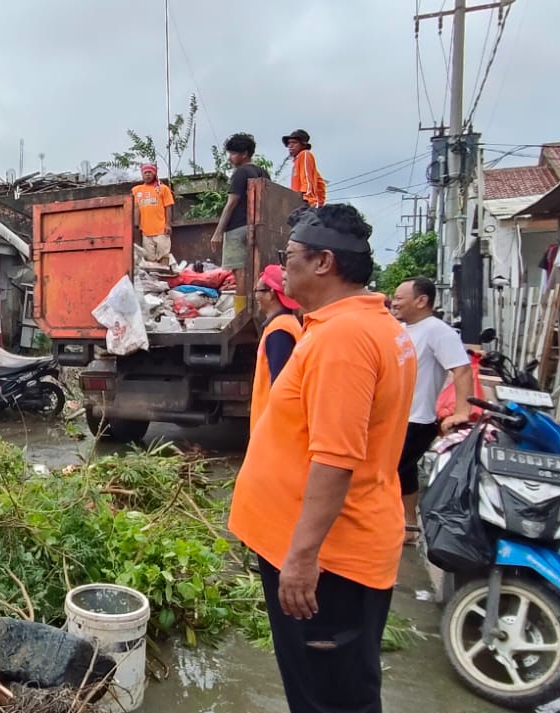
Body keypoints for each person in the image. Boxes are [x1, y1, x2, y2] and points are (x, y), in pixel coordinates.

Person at [226, 204, 415, 713]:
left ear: (324, 262)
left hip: (330, 564)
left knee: (329, 701)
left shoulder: (344, 338)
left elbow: (335, 458)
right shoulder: (365, 325)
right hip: (332, 551)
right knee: (329, 691)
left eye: (289, 255)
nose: (282, 267)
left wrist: (302, 558)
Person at [391, 276, 474, 540]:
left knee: (388, 473)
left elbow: (461, 370)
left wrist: (462, 412)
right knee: (405, 472)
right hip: (398, 416)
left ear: (421, 300)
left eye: (399, 298)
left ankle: (390, 526)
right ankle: (408, 526)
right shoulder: (404, 329)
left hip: (417, 419)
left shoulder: (438, 331)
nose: (394, 303)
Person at [248, 264, 302, 433]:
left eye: (258, 290)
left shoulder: (279, 331)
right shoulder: (283, 324)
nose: (256, 296)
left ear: (271, 293)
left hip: (273, 427)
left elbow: (280, 385)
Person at [210, 133, 271, 268]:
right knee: (256, 269)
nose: (229, 158)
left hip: (237, 229)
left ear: (244, 154)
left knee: (236, 270)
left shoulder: (240, 172)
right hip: (257, 228)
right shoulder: (263, 173)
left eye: (233, 154)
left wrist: (218, 233)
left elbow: (231, 203)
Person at [130, 163, 175, 263]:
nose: (147, 174)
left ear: (154, 173)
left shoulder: (163, 189)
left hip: (161, 231)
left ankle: (165, 272)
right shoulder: (136, 190)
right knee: (149, 260)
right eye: (145, 172)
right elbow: (135, 208)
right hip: (145, 233)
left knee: (164, 258)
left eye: (150, 172)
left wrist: (168, 225)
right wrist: (136, 226)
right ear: (142, 174)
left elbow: (168, 207)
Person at [283, 129, 327, 208]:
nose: (290, 146)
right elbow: (320, 183)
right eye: (289, 143)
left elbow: (307, 180)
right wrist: (321, 205)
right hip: (299, 205)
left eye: (294, 143)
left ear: (303, 145)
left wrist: (305, 200)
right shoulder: (298, 161)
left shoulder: (305, 154)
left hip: (303, 204)